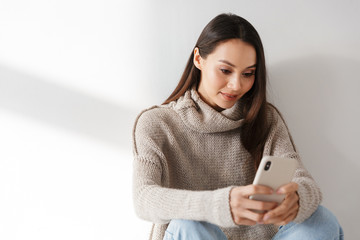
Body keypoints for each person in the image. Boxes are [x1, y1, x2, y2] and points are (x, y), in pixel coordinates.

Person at [132, 13, 343, 240]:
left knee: (322, 220)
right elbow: (144, 199)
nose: (236, 85)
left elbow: (302, 178)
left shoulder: (265, 118)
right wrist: (223, 204)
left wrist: (298, 199)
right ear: (198, 59)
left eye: (248, 74)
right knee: (188, 225)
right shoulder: (156, 123)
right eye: (225, 70)